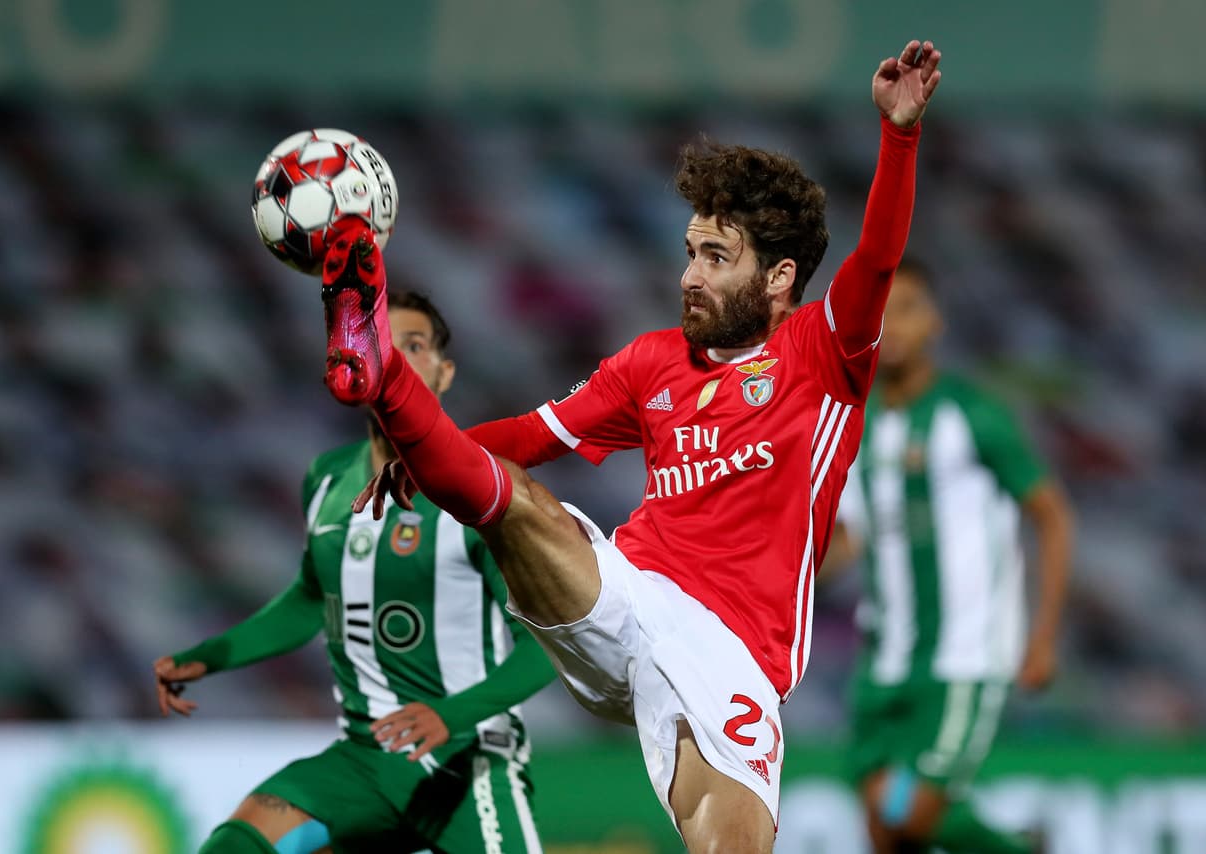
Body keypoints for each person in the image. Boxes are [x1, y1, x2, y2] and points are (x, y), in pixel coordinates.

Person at [319, 40, 942, 853]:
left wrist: (899, 136)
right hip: (627, 596)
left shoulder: (824, 356)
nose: (690, 274)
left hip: (734, 654)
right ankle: (382, 377)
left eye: (716, 258)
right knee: (516, 501)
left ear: (781, 278)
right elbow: (525, 438)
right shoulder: (650, 362)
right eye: (690, 253)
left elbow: (880, 257)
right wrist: (412, 452)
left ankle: (391, 390)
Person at [153, 291, 554, 854]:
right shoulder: (326, 479)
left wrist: (449, 716)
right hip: (362, 764)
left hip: (465, 766)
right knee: (236, 845)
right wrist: (210, 655)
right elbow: (309, 598)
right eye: (383, 343)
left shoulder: (482, 490)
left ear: (444, 373)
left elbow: (546, 645)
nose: (397, 356)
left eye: (414, 345)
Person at [826, 259, 1074, 854]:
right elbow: (854, 535)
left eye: (906, 309)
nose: (892, 327)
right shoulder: (852, 423)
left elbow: (1052, 515)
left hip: (963, 655)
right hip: (884, 656)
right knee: (884, 830)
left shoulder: (972, 413)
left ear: (934, 321)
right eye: (879, 314)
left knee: (912, 814)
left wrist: (1042, 636)